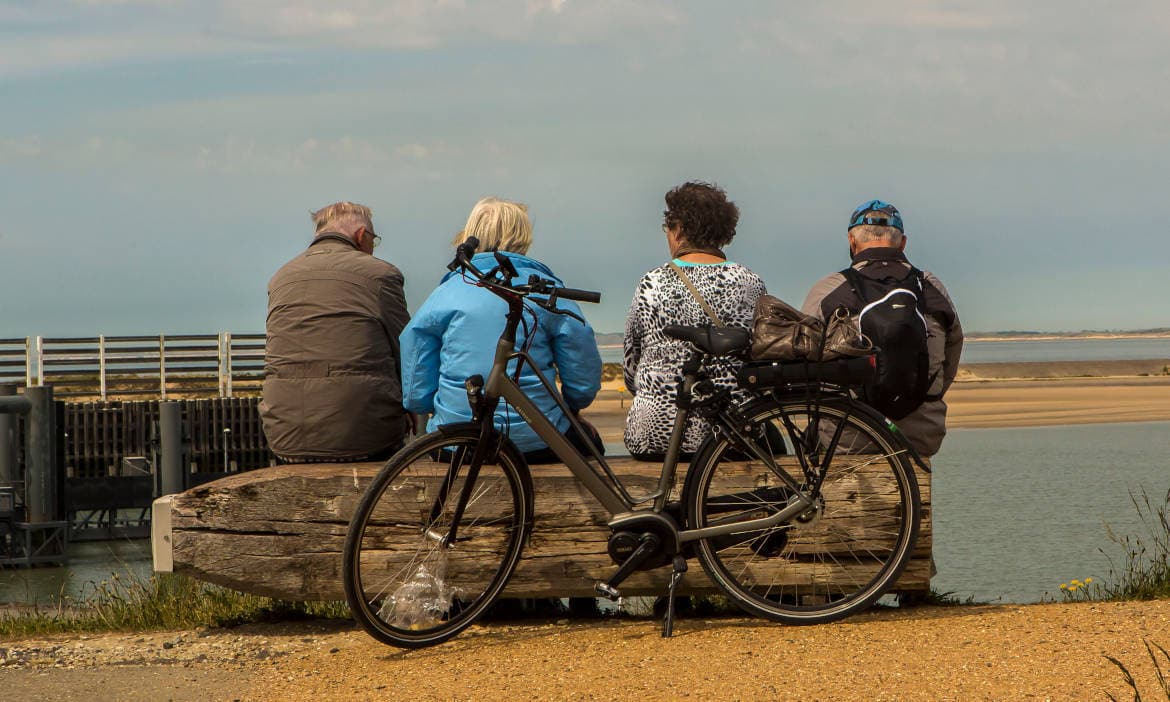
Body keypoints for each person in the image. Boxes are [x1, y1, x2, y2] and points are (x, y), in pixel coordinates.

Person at [399, 197, 603, 464]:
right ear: (524, 236)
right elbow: (582, 375)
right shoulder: (546, 290)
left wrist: (431, 407)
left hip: (453, 440)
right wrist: (573, 406)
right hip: (539, 439)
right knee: (592, 445)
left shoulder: (447, 292)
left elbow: (415, 385)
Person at [801, 199, 963, 459]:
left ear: (852, 242)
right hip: (921, 434)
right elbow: (951, 352)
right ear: (903, 243)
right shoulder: (931, 286)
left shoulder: (828, 289)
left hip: (849, 436)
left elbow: (804, 357)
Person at [623, 182, 767, 460]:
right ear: (723, 233)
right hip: (730, 434)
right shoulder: (750, 283)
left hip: (654, 436)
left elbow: (631, 365)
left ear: (678, 229)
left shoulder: (651, 283)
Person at [260, 201, 411, 463]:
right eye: (374, 240)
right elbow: (407, 352)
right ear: (362, 236)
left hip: (285, 437)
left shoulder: (281, 277)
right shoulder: (380, 275)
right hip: (364, 436)